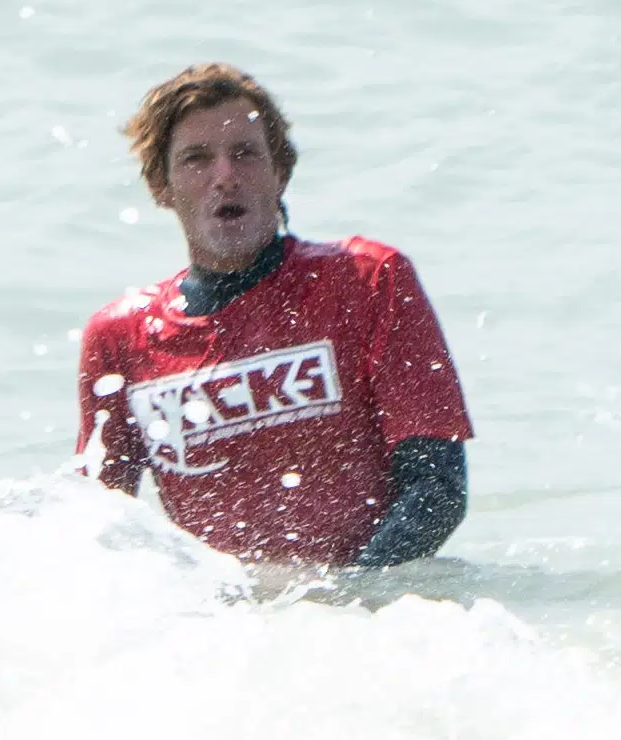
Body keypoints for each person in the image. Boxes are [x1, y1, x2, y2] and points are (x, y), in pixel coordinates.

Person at [76, 63, 474, 567]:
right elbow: (99, 530)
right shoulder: (119, 338)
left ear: (280, 172)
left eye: (245, 154)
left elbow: (437, 490)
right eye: (197, 159)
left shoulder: (369, 281)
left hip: (371, 619)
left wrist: (342, 602)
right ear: (161, 186)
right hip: (231, 627)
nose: (225, 176)